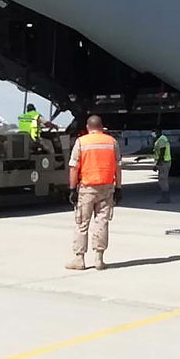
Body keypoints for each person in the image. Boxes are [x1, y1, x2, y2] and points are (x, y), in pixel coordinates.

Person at [66, 115, 122, 271]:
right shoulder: (112, 142)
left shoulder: (81, 142)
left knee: (82, 224)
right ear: (102, 127)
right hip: (107, 187)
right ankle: (99, 258)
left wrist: (72, 189)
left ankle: (79, 259)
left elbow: (74, 168)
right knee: (102, 222)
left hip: (87, 188)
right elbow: (118, 167)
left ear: (87, 127)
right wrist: (118, 188)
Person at [153, 128, 171, 203]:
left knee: (163, 181)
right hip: (164, 162)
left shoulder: (161, 140)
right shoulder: (162, 138)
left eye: (154, 132)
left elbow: (162, 152)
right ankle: (165, 197)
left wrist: (157, 164)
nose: (153, 133)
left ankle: (165, 198)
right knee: (162, 180)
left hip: (164, 162)